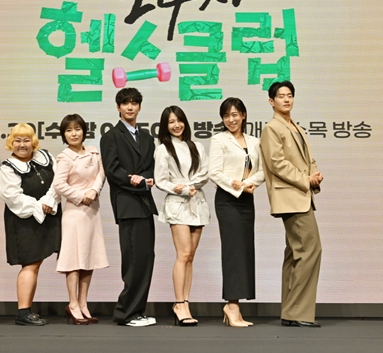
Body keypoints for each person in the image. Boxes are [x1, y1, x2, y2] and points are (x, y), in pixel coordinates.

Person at [260, 80, 323, 328]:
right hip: (291, 197)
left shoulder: (295, 126)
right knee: (310, 250)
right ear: (271, 101)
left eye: (289, 95)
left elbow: (307, 159)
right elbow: (277, 163)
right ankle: (297, 312)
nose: (286, 99)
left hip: (300, 196)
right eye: (281, 96)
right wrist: (305, 179)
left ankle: (290, 311)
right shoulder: (271, 128)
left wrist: (314, 174)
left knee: (296, 253)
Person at [100, 87, 158, 327]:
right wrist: (133, 179)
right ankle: (126, 313)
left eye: (134, 103)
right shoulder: (111, 136)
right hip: (127, 205)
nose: (130, 107)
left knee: (146, 258)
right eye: (125, 103)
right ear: (118, 107)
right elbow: (112, 170)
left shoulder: (147, 138)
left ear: (140, 107)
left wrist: (144, 179)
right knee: (133, 260)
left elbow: (151, 167)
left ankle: (138, 310)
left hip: (145, 204)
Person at [208, 97, 264, 328]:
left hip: (247, 199)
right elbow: (214, 172)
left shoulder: (255, 141)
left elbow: (263, 170)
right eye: (226, 116)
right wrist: (238, 186)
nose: (231, 120)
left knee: (245, 250)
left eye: (234, 114)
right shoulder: (219, 139)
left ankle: (235, 306)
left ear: (243, 115)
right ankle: (231, 306)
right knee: (233, 252)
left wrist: (248, 184)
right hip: (227, 200)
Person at [0, 123, 61, 326]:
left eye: (26, 140)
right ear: (11, 143)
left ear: (33, 141)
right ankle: (23, 312)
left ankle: (27, 311)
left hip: (49, 216)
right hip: (24, 221)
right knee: (31, 264)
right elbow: (12, 196)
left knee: (37, 264)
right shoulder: (8, 167)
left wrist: (49, 201)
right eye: (17, 140)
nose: (22, 145)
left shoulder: (45, 156)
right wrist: (39, 206)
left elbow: (58, 182)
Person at [154, 106, 209, 327]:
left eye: (179, 120)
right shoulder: (163, 149)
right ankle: (179, 303)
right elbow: (161, 180)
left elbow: (205, 173)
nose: (176, 125)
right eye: (171, 122)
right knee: (183, 253)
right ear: (165, 126)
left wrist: (190, 185)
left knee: (191, 256)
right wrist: (183, 188)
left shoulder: (197, 146)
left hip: (197, 202)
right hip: (177, 204)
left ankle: (185, 301)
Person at [52, 114, 109, 325]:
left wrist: (94, 190)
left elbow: (102, 173)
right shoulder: (64, 157)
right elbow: (58, 184)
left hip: (92, 210)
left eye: (77, 129)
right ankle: (73, 303)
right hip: (74, 212)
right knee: (73, 259)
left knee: (88, 257)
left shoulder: (94, 151)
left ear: (84, 131)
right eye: (68, 130)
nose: (74, 133)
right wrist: (79, 196)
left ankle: (84, 303)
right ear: (63, 135)